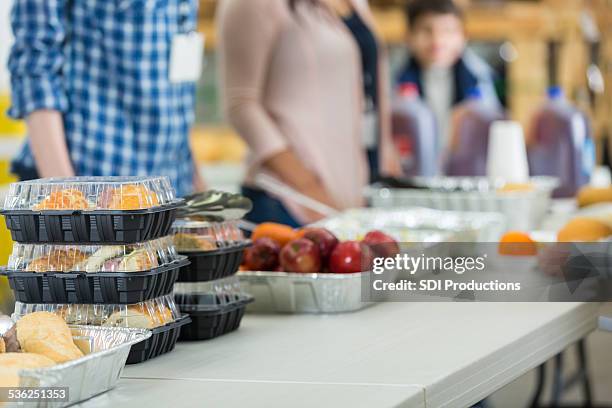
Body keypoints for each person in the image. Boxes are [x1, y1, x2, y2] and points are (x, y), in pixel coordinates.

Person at [218, 0, 400, 227]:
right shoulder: (254, 4)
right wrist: (309, 188)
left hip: (353, 199)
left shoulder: (357, 4)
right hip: (290, 202)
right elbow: (241, 106)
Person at [7, 0, 206, 196]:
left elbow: (178, 88)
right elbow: (34, 69)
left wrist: (201, 194)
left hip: (169, 189)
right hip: (85, 187)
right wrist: (68, 201)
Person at [397, 0, 500, 150]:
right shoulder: (395, 83)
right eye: (426, 30)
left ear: (463, 36)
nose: (437, 40)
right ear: (409, 36)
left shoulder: (480, 78)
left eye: (447, 31)